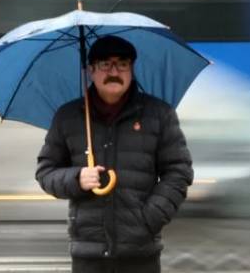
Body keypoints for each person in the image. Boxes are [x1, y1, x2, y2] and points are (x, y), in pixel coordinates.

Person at [35, 35, 193, 273]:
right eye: (104, 64)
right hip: (88, 253)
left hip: (140, 253)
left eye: (122, 64)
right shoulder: (68, 116)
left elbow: (179, 171)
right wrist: (76, 178)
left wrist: (149, 219)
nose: (114, 71)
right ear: (90, 70)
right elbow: (46, 172)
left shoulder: (159, 114)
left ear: (131, 69)